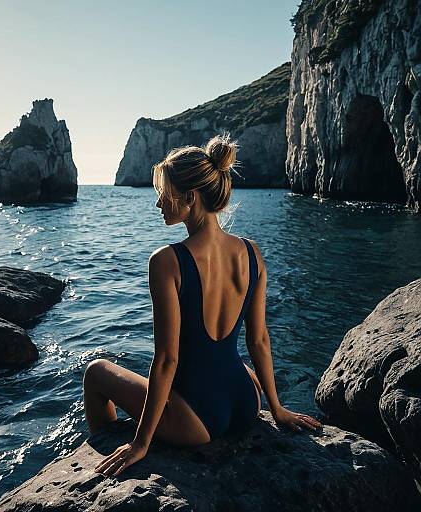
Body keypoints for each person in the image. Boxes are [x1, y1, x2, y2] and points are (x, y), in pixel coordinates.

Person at [84, 133, 323, 478]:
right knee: (232, 361)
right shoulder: (252, 253)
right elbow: (259, 341)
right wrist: (279, 409)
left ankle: (109, 452)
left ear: (190, 198)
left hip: (197, 421)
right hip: (246, 403)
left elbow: (167, 359)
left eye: (164, 195)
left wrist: (141, 443)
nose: (158, 204)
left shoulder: (167, 261)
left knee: (96, 372)